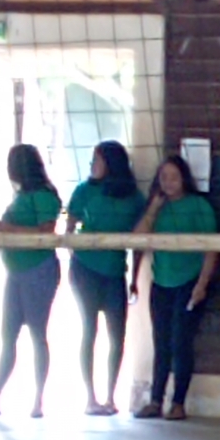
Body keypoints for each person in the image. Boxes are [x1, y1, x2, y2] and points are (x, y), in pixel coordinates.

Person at [0, 145, 62, 420]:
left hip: (38, 271)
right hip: (15, 271)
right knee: (8, 336)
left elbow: (46, 232)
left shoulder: (45, 196)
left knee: (37, 334)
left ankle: (38, 400)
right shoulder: (21, 195)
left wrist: (10, 230)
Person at [130, 155, 219, 421]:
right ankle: (155, 400)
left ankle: (178, 402)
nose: (168, 182)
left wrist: (202, 284)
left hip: (189, 282)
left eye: (173, 177)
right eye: (163, 177)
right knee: (161, 342)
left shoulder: (199, 206)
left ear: (184, 179)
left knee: (181, 342)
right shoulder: (156, 207)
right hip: (161, 283)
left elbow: (212, 249)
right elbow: (137, 239)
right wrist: (154, 207)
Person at [65, 141, 147, 415]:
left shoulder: (134, 197)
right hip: (85, 268)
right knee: (89, 329)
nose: (92, 166)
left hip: (114, 271)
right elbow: (69, 224)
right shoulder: (84, 191)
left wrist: (134, 278)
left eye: (97, 161)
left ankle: (111, 397)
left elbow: (139, 240)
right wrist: (74, 247)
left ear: (111, 164)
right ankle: (90, 398)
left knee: (117, 334)